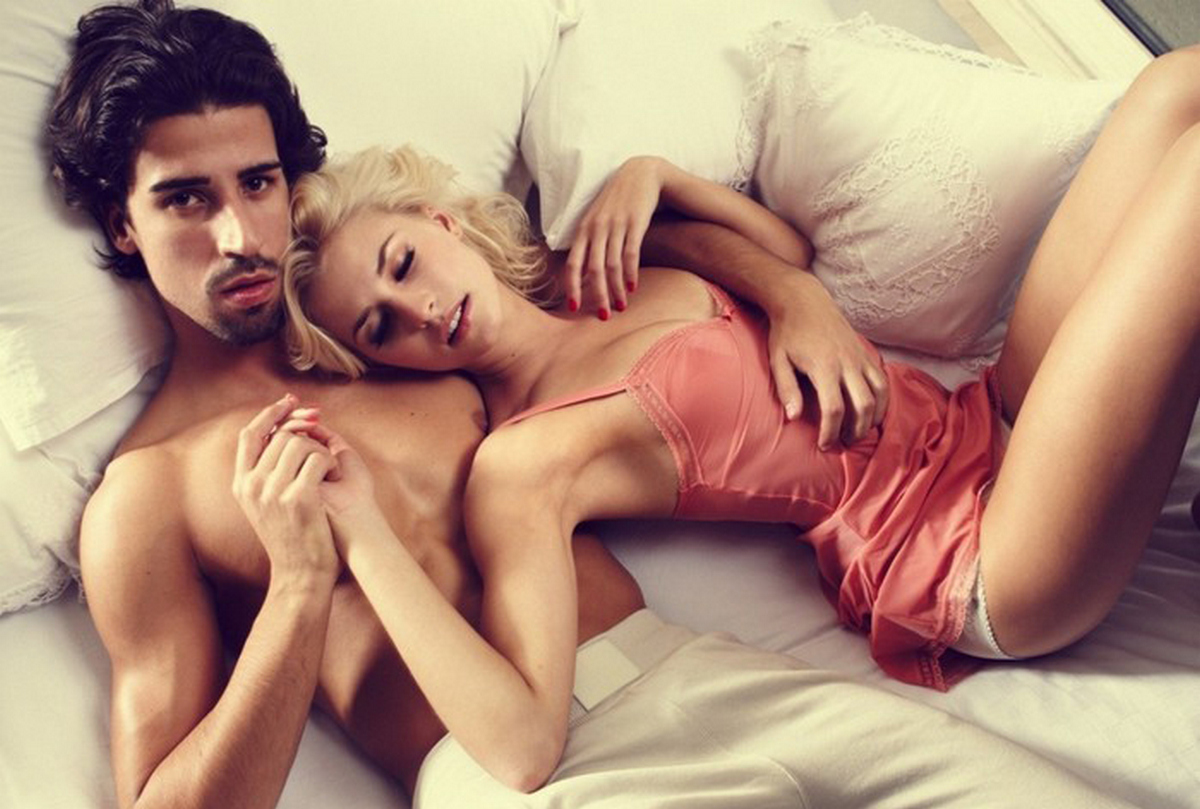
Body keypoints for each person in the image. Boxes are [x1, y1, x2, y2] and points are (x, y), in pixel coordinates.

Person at [44, 2, 1101, 808]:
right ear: (123, 224)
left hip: (689, 667)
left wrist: (786, 289)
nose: (240, 235)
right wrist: (300, 583)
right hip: (505, 769)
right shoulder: (147, 494)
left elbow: (602, 283)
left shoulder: (392, 332)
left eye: (257, 183)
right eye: (185, 199)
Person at [280, 38, 1200, 791]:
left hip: (988, 413)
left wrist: (663, 183)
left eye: (402, 264)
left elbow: (781, 250)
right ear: (379, 363)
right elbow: (524, 742)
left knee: (1175, 88)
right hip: (974, 551)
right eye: (379, 327)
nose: (419, 311)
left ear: (440, 223)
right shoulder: (523, 461)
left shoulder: (599, 267)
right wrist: (359, 532)